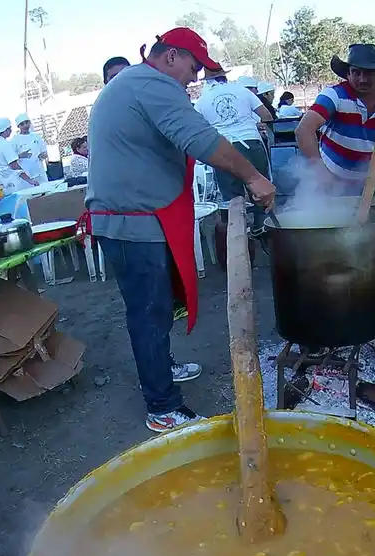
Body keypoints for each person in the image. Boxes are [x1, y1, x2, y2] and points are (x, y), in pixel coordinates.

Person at [86, 26, 275, 433]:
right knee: (149, 312)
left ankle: (163, 366)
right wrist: (254, 177)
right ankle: (162, 407)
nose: (196, 77)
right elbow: (202, 140)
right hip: (131, 223)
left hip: (137, 217)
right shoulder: (152, 84)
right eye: (194, 67)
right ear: (170, 56)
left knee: (158, 305)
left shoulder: (137, 83)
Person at [295, 43, 375, 189]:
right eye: (356, 72)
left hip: (368, 188)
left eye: (369, 73)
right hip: (329, 188)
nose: (363, 79)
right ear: (348, 74)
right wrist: (320, 170)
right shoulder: (334, 96)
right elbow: (304, 130)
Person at [195, 66, 273, 235]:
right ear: (224, 77)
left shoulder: (202, 100)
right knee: (261, 190)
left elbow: (197, 128)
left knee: (232, 198)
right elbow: (266, 115)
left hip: (223, 147)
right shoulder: (242, 91)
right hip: (251, 143)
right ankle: (264, 229)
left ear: (207, 81)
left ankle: (237, 235)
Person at [0, 118, 38, 192]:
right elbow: (14, 166)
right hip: (12, 183)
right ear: (5, 130)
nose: (11, 130)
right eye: (9, 128)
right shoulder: (5, 145)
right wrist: (30, 180)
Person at [13, 113, 48, 184]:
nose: (25, 125)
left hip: (40, 172)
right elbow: (12, 160)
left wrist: (43, 155)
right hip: (26, 177)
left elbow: (44, 151)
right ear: (18, 126)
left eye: (27, 122)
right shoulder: (15, 140)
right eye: (22, 124)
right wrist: (20, 156)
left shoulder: (36, 136)